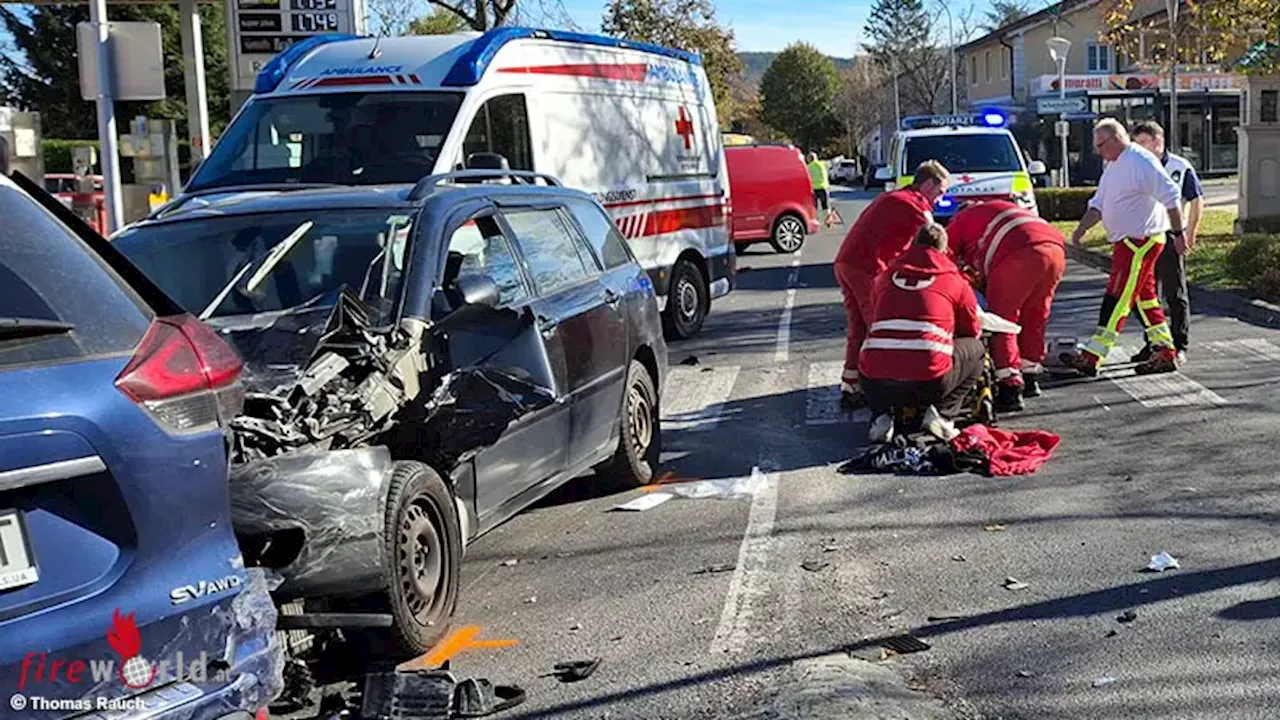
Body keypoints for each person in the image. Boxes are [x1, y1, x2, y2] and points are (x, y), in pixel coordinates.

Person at [1062, 118, 1187, 376]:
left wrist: (1178, 233)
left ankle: (1093, 355)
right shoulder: (1114, 165)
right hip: (1128, 241)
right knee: (1145, 299)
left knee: (1117, 298)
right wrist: (1081, 229)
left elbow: (1171, 196)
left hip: (1139, 241)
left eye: (1100, 145)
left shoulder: (1140, 161)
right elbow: (1099, 203)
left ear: (1116, 138)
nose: (1098, 151)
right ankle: (1164, 350)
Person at [834, 160, 951, 408]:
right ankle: (880, 390)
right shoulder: (917, 206)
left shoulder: (898, 197)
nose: (940, 199)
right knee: (879, 326)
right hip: (866, 267)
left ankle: (851, 383)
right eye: (940, 192)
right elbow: (935, 246)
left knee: (858, 326)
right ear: (928, 184)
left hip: (847, 262)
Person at [859, 223, 984, 443]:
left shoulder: (885, 277)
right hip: (929, 382)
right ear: (943, 250)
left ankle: (881, 416)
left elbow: (875, 316)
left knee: (872, 347)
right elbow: (971, 329)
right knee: (977, 350)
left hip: (875, 381)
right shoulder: (955, 281)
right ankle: (943, 415)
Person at [944, 199, 1066, 412]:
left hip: (1018, 251)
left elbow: (942, 257)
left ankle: (1010, 385)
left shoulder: (961, 220)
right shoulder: (996, 210)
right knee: (1036, 314)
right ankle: (1030, 374)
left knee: (1002, 319)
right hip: (1055, 248)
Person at [1129, 120, 1204, 365]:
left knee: (1175, 293)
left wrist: (1190, 233)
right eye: (1135, 143)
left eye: (1143, 143)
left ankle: (1179, 344)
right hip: (1143, 236)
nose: (1138, 148)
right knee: (1143, 295)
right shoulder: (1134, 166)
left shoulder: (1179, 166)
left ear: (1158, 141)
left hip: (1171, 236)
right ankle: (1155, 343)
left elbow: (1196, 199)